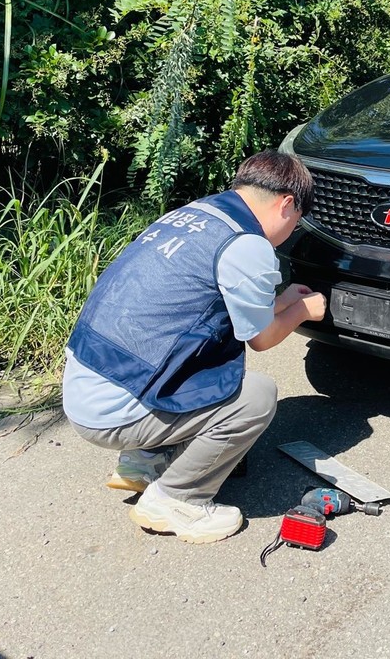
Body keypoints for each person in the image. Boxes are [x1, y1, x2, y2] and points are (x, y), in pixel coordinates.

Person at [63, 151, 327, 542]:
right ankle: (176, 500)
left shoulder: (198, 214)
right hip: (115, 411)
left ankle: (144, 460)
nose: (292, 232)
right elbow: (261, 338)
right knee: (256, 395)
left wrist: (283, 299)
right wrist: (303, 310)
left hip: (89, 384)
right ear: (287, 204)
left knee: (206, 362)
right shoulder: (247, 244)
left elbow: (211, 307)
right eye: (297, 221)